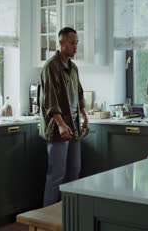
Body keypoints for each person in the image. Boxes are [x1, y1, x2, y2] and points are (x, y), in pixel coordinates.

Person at [40, 27, 89, 206]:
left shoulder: (73, 67)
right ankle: (46, 220)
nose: (76, 46)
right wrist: (61, 124)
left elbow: (79, 93)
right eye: (72, 43)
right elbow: (50, 100)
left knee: (74, 172)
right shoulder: (51, 67)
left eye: (77, 43)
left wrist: (85, 116)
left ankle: (66, 215)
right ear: (61, 43)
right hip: (58, 129)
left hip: (73, 126)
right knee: (56, 175)